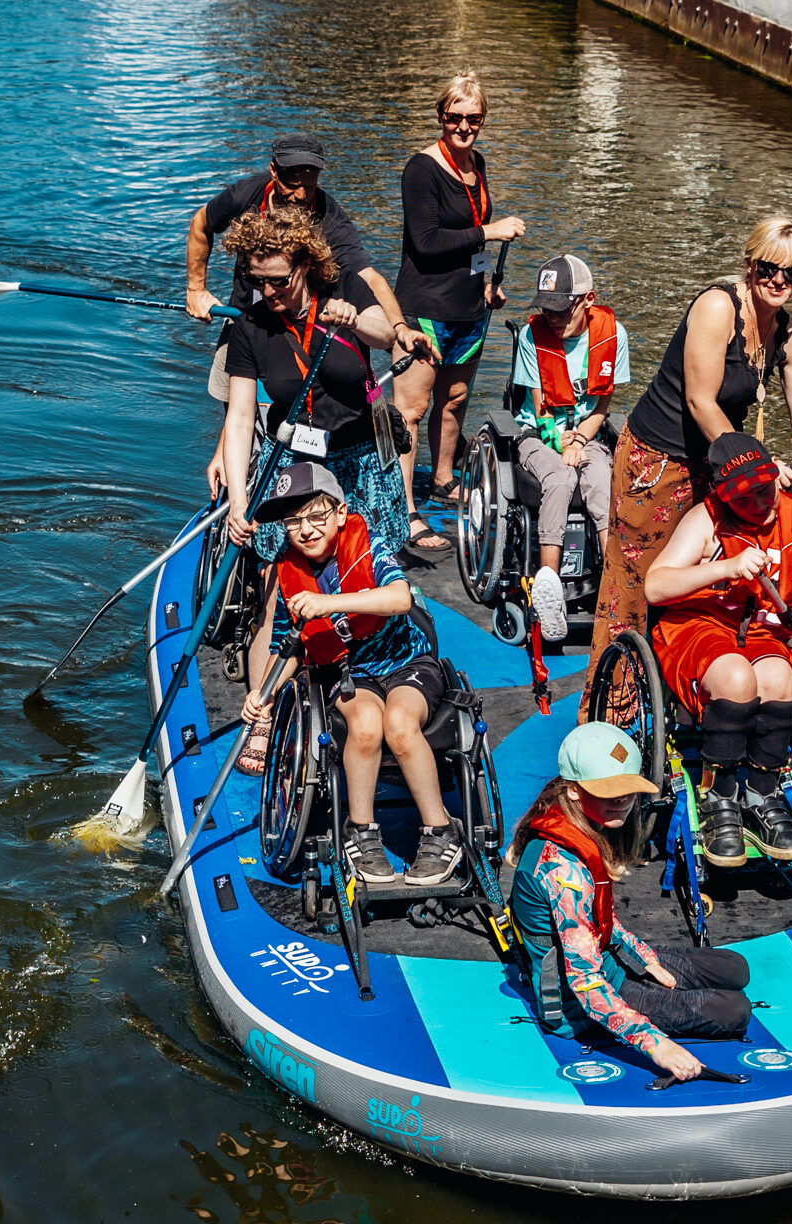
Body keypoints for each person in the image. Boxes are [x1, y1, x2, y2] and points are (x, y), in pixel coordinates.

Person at [586, 216, 792, 691]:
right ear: (750, 264)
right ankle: (615, 710)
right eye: (769, 268)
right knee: (639, 588)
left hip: (724, 470)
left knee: (709, 586)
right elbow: (700, 401)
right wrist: (757, 464)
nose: (779, 281)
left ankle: (697, 689)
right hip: (659, 463)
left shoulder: (791, 338)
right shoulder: (716, 307)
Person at [204, 207, 402, 775]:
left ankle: (372, 693)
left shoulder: (344, 289)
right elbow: (242, 417)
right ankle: (263, 711)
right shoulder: (249, 326)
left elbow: (389, 336)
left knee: (368, 572)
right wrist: (240, 503)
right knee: (277, 586)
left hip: (360, 457)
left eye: (278, 280)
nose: (267, 292)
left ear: (307, 268)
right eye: (255, 280)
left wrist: (354, 321)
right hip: (293, 461)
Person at [241, 463, 466, 887]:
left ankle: (440, 829)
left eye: (316, 517)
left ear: (341, 514)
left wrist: (330, 604)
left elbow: (400, 599)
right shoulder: (292, 573)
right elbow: (288, 650)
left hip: (407, 664)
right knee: (363, 725)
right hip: (352, 674)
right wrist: (263, 696)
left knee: (399, 724)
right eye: (293, 522)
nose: (305, 530)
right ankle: (360, 831)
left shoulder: (371, 546)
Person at [645, 433, 792, 867]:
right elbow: (655, 585)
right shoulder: (705, 522)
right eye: (746, 500)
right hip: (698, 625)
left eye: (766, 491)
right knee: (737, 678)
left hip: (760, 631)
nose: (761, 505)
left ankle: (761, 792)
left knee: (783, 680)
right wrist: (724, 567)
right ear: (725, 499)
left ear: (775, 477)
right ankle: (719, 795)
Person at [508, 722, 752, 1082]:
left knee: (735, 967)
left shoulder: (578, 827)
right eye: (610, 791)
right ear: (574, 791)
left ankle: (658, 980)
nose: (623, 800)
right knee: (734, 1011)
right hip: (577, 1006)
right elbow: (586, 983)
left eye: (629, 789)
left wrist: (644, 958)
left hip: (607, 959)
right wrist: (657, 1045)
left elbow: (598, 919)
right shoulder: (562, 868)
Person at [183, 132, 432, 410]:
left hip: (296, 327)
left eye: (310, 186)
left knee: (289, 412)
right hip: (244, 320)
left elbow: (367, 276)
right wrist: (196, 289)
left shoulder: (329, 215)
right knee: (236, 417)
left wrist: (399, 328)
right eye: (293, 184)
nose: (301, 195)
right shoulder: (246, 194)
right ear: (273, 171)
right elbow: (200, 224)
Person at [391, 70, 526, 553]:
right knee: (411, 409)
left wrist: (488, 282)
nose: (464, 126)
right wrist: (490, 234)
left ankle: (444, 479)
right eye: (455, 118)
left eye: (473, 119)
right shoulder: (421, 170)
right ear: (441, 117)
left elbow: (475, 227)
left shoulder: (478, 164)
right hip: (425, 307)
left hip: (470, 308)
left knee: (454, 400)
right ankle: (404, 510)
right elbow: (425, 245)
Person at [510, 254, 627, 642]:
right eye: (546, 308)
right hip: (538, 433)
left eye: (561, 309)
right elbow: (540, 405)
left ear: (588, 300)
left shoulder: (614, 336)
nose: (552, 318)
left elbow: (602, 405)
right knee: (560, 476)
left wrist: (579, 438)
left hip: (587, 433)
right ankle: (548, 586)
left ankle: (615, 587)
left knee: (599, 478)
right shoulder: (532, 336)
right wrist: (560, 440)